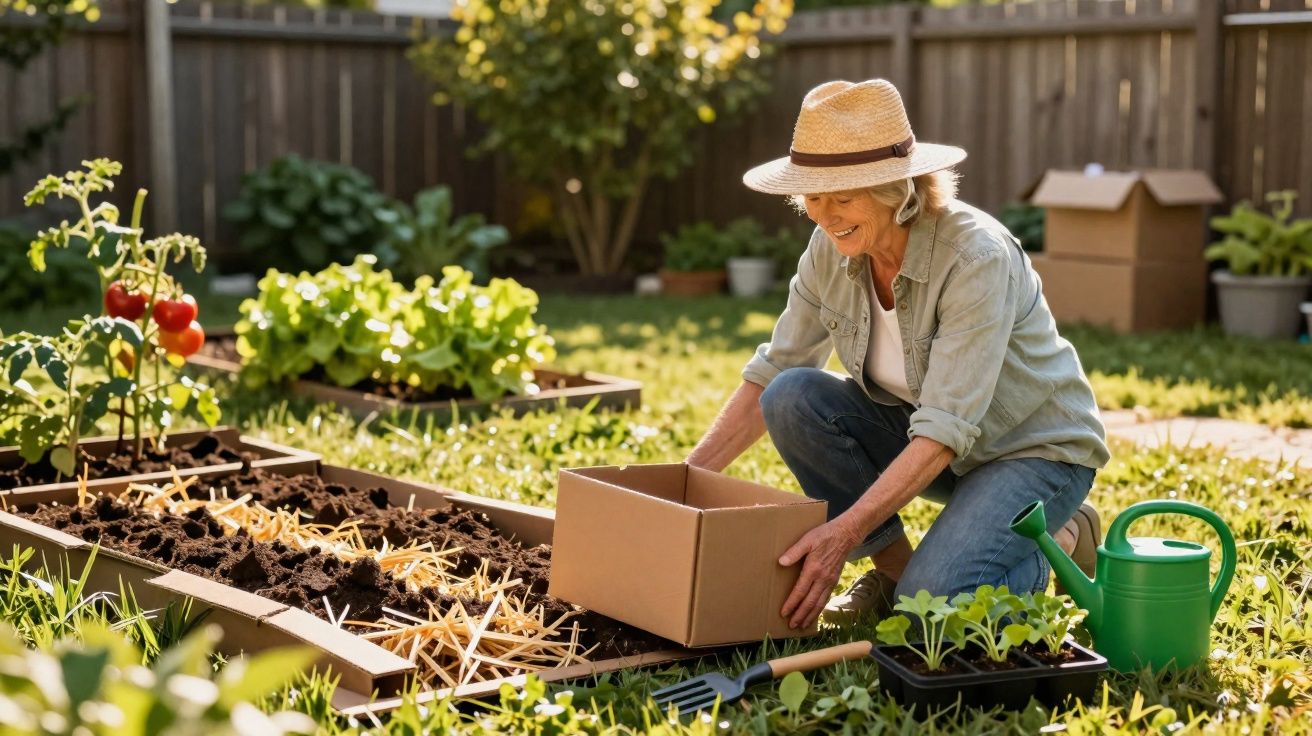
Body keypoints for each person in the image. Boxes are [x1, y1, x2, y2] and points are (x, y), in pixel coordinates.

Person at [686, 79, 1109, 631]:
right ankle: (893, 573)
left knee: (938, 608)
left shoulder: (974, 256)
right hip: (937, 447)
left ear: (896, 188)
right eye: (813, 195)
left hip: (1030, 453)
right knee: (793, 396)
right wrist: (680, 482)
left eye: (843, 196)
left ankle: (1059, 534)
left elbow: (946, 425)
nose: (824, 214)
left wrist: (844, 532)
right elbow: (775, 370)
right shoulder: (829, 250)